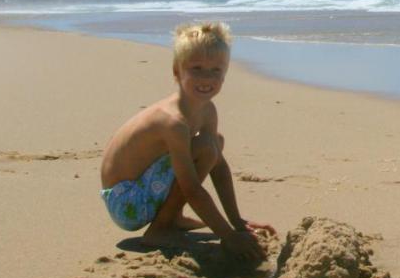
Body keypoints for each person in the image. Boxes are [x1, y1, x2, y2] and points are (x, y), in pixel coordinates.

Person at [99, 21, 271, 262]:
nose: (206, 78)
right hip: (127, 200)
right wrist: (227, 236)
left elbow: (218, 168)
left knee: (213, 143)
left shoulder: (207, 110)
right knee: (204, 148)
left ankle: (172, 218)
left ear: (226, 73)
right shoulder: (173, 122)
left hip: (142, 188)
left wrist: (238, 223)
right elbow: (191, 188)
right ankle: (160, 230)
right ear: (177, 71)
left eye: (216, 70)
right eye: (197, 68)